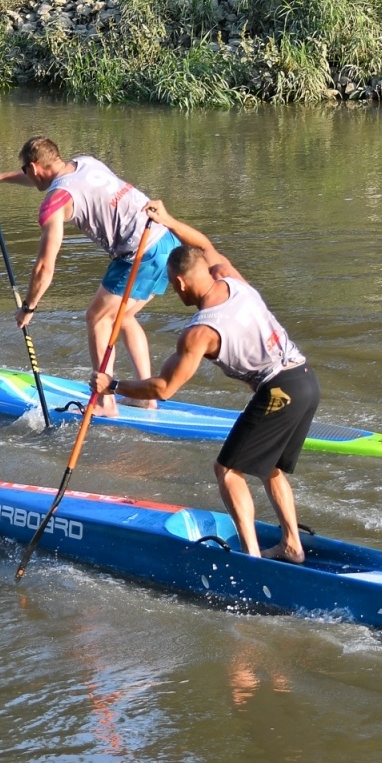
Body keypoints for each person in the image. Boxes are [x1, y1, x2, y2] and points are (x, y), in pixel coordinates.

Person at [91, 200, 318, 563]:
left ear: (180, 282)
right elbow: (204, 244)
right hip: (306, 380)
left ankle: (251, 559)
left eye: (171, 285)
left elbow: (164, 389)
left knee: (227, 469)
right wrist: (168, 220)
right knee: (270, 466)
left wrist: (113, 386)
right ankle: (291, 544)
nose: (173, 292)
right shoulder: (230, 277)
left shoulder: (199, 332)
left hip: (280, 390)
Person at [0, 137, 181, 415]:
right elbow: (45, 177)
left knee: (96, 317)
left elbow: (44, 267)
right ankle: (145, 397)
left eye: (25, 170)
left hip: (140, 253)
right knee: (124, 317)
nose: (26, 175)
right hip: (166, 242)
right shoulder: (85, 162)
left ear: (34, 167)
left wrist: (29, 307)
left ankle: (104, 401)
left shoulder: (56, 202)